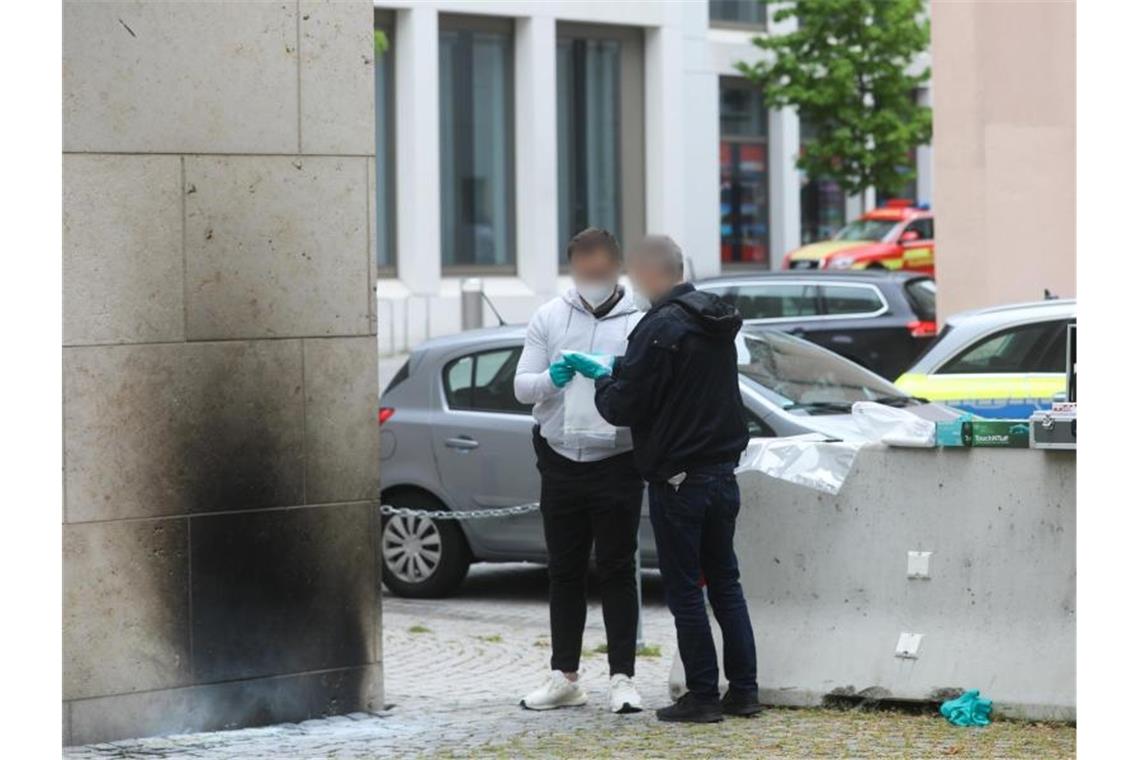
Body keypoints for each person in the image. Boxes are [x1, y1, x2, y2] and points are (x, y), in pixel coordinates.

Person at [564, 235, 761, 723]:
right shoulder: (714, 318)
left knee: (685, 590)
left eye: (633, 275)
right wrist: (623, 370)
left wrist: (603, 380)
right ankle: (744, 691)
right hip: (722, 472)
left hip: (679, 478)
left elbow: (625, 405)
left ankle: (702, 697)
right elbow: (677, 386)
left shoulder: (661, 327)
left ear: (651, 273)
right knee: (726, 584)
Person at [513, 227, 645, 714]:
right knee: (564, 571)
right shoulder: (549, 316)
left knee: (616, 570)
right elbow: (521, 387)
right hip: (561, 461)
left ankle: (623, 679)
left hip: (617, 461)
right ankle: (564, 675)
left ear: (615, 267)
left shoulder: (640, 320)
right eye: (582, 269)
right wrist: (552, 378)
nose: (591, 276)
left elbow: (649, 389)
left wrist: (612, 372)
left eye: (600, 269)